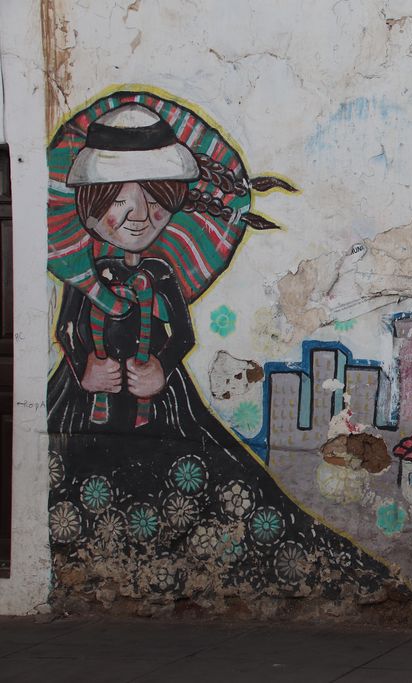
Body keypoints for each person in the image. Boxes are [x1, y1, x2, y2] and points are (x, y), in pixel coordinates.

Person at [46, 95, 393, 598]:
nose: (139, 216)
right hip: (86, 404)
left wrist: (163, 368)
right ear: (90, 205)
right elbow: (65, 330)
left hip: (160, 403)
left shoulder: (160, 273)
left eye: (155, 200)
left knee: (209, 479)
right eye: (118, 201)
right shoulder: (85, 278)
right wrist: (84, 369)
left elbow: (183, 335)